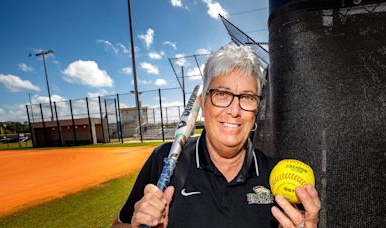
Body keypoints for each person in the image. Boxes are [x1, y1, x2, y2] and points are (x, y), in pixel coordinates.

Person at [112, 44, 321, 228]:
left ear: (257, 109)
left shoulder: (274, 175)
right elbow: (118, 225)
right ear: (203, 104)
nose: (234, 110)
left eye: (247, 98)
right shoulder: (165, 158)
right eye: (222, 94)